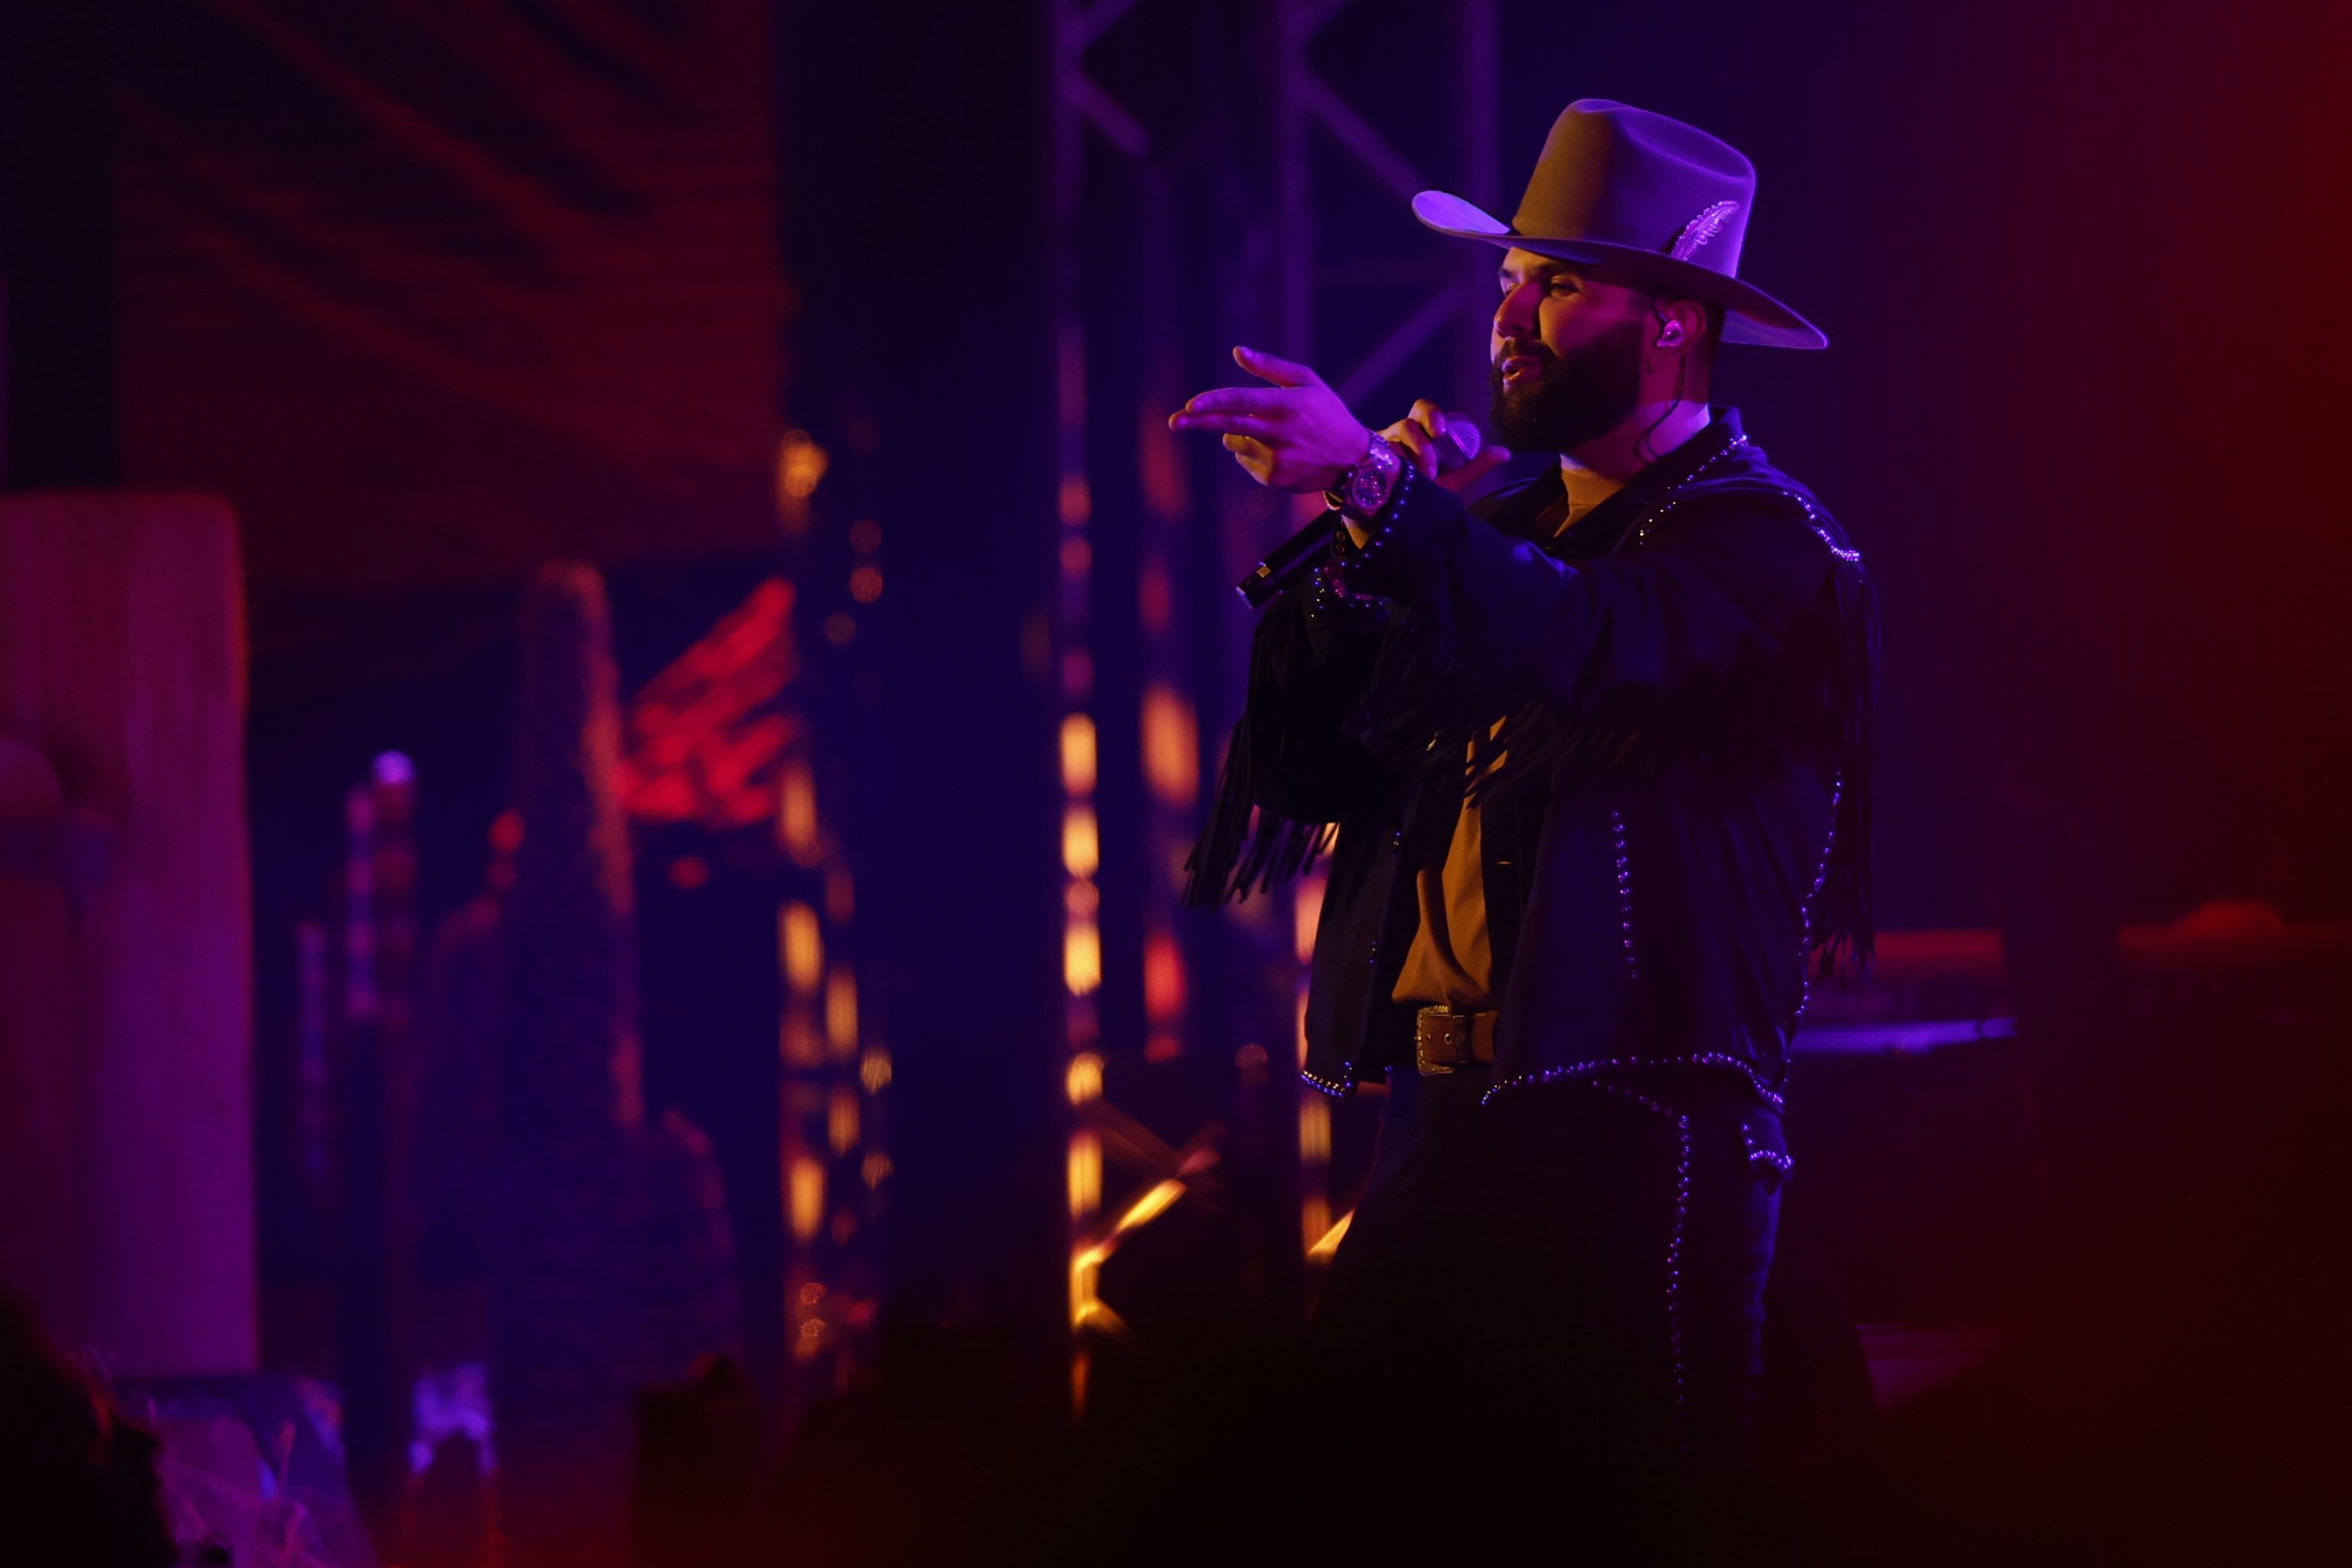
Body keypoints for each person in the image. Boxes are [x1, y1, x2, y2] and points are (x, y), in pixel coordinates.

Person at [1174, 100, 1878, 1535]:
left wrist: (1388, 499)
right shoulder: (1491, 537)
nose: (1510, 314)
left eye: (1557, 284)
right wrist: (1359, 537)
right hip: (1444, 1115)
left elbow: (1592, 644)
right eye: (1510, 279)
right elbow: (1308, 766)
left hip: (1632, 1121)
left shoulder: (1765, 544)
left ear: (1674, 322)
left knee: (1624, 1514)